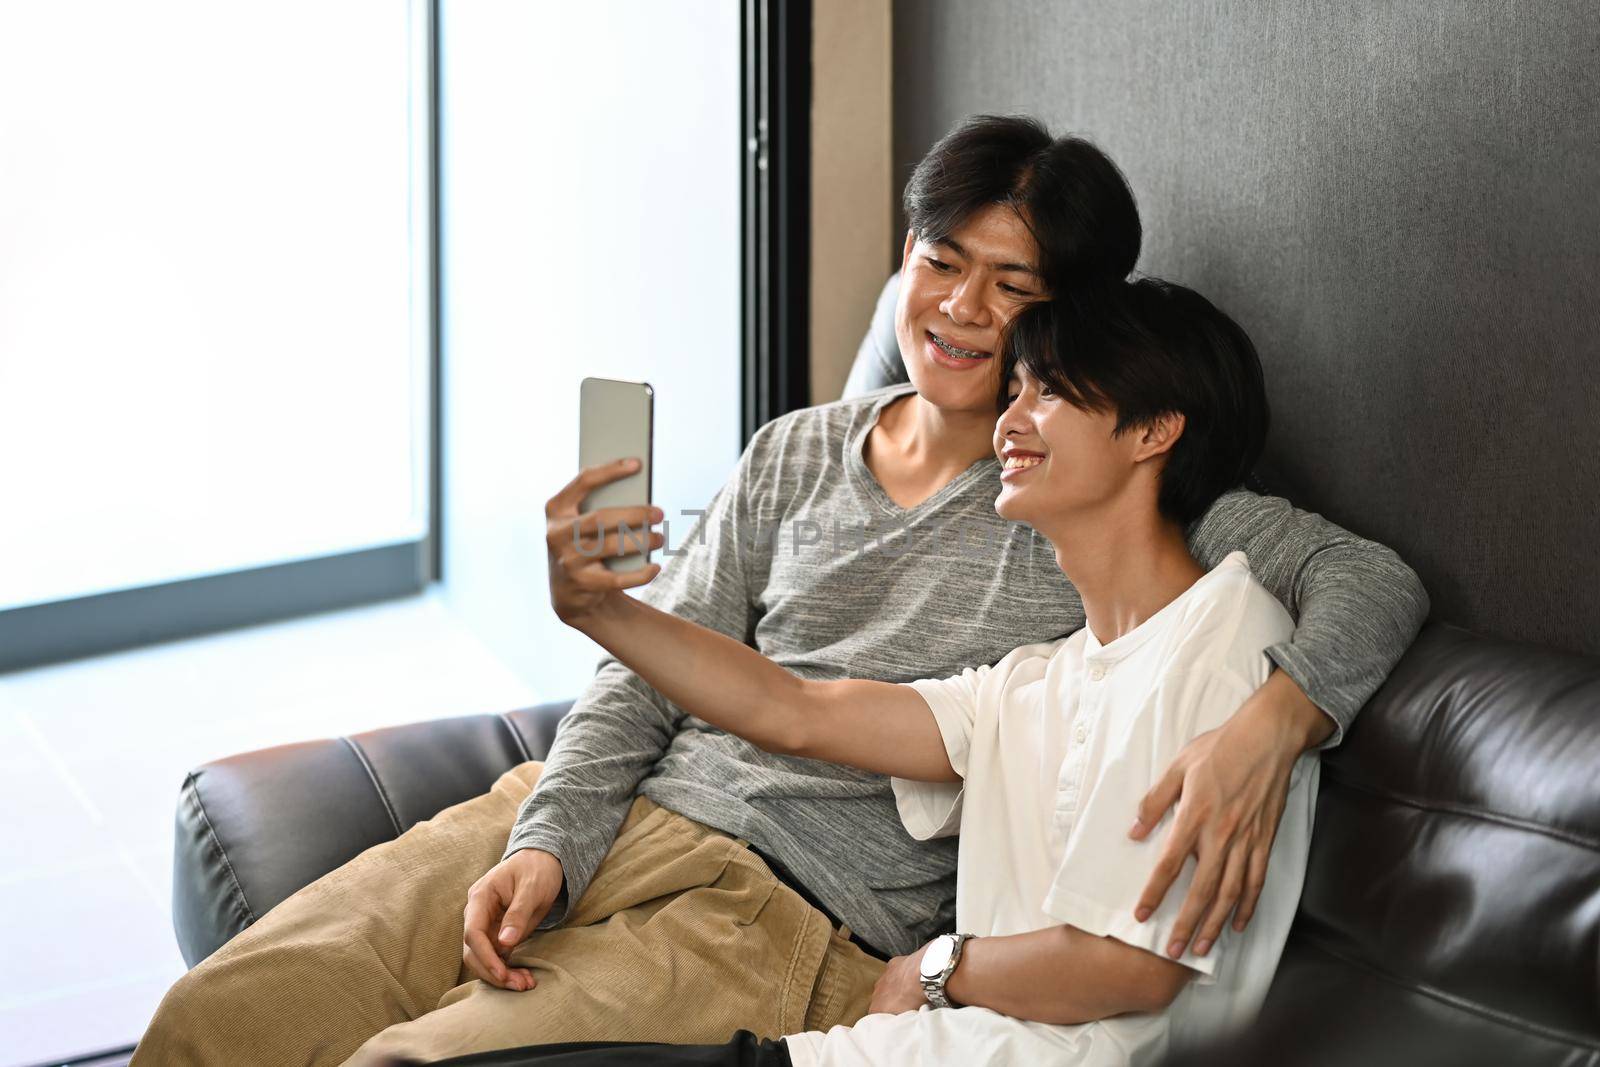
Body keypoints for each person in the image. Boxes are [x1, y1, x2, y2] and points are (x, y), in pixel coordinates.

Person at [131, 116, 1428, 1066]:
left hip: (789, 914)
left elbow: (1369, 575)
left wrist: (1277, 716)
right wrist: (548, 835)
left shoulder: (1090, 481)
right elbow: (658, 676)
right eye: (940, 260)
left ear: (1069, 322)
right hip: (617, 811)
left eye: (1013, 286)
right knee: (222, 1018)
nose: (963, 309)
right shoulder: (798, 449)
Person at [457, 275, 1318, 1067]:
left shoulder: (1227, 634)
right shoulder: (1035, 678)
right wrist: (601, 610)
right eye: (1014, 390)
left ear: (1155, 428)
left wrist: (941, 965)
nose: (1009, 421)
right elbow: (794, 708)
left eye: (1047, 393)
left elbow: (1136, 966)